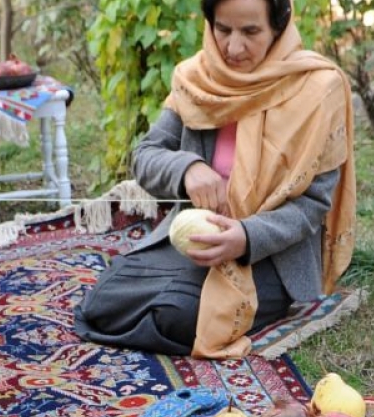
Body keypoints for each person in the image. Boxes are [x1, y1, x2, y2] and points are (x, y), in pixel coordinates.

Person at [74, 0, 356, 359]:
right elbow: (145, 156)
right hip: (202, 242)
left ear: (278, 28)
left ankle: (176, 305)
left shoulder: (318, 91)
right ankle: (171, 300)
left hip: (269, 254)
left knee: (176, 315)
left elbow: (312, 206)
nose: (234, 48)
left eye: (251, 32)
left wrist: (246, 237)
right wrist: (187, 168)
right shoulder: (198, 80)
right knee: (101, 302)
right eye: (223, 30)